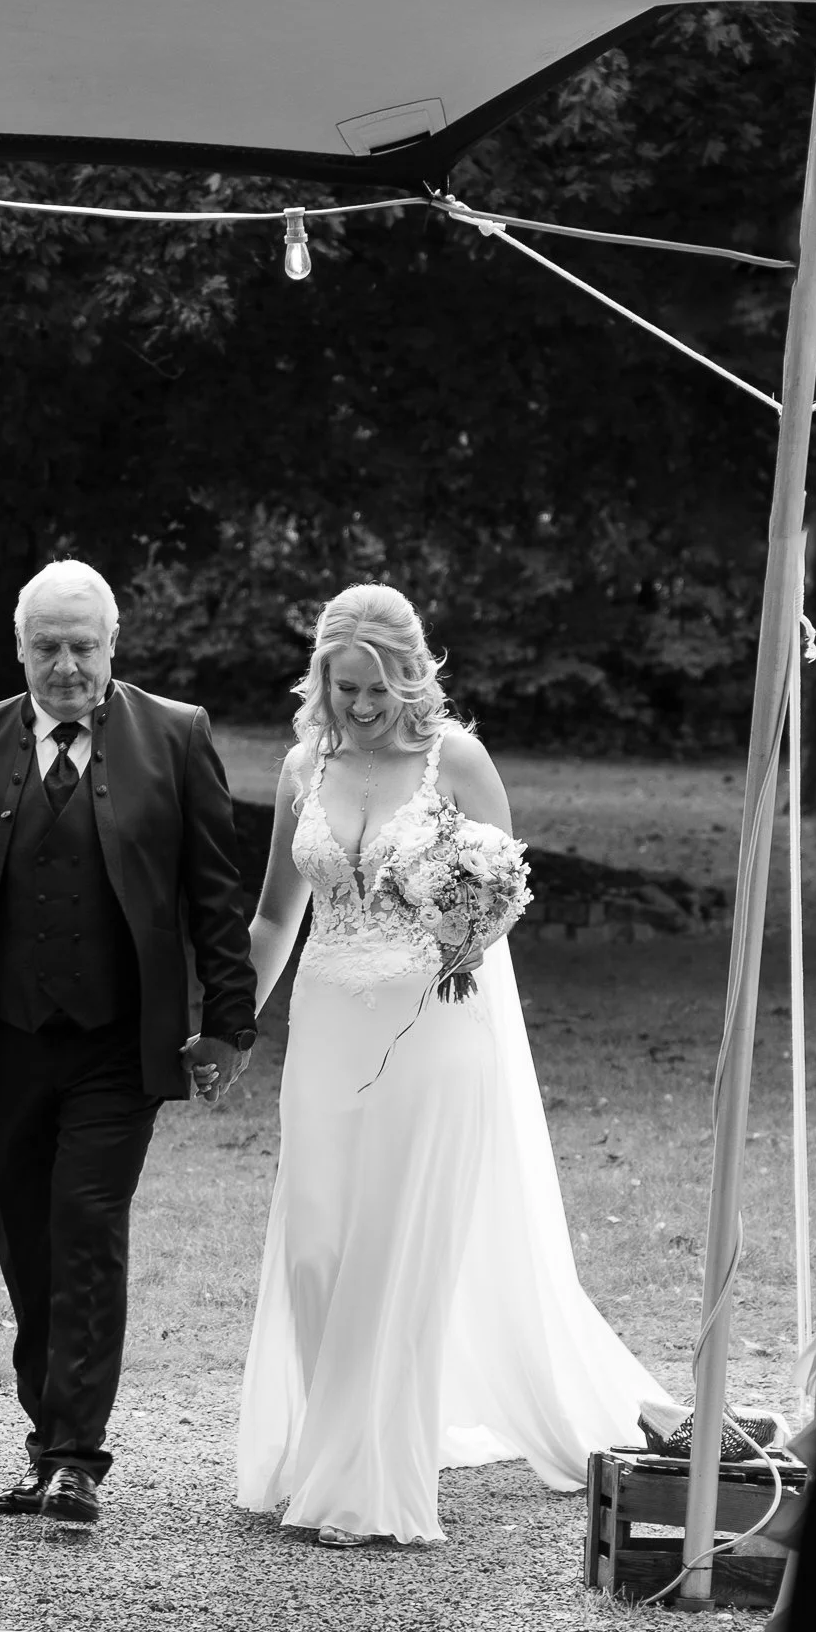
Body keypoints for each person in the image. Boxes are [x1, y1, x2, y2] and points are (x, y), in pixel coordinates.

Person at [236, 581, 665, 1547]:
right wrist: (232, 1024)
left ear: (410, 674)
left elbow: (499, 898)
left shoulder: (456, 763)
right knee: (314, 1247)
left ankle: (363, 1482)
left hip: (430, 1035)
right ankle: (326, 1446)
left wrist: (464, 934)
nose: (357, 704)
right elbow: (274, 917)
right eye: (341, 685)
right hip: (324, 1033)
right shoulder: (306, 765)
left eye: (375, 686)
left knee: (391, 1250)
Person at [0, 559, 257, 1528]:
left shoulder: (176, 737)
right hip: (2, 1042)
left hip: (116, 1043)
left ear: (112, 647)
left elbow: (214, 892)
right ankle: (44, 1440)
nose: (65, 665)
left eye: (82, 646)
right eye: (46, 647)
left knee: (87, 1229)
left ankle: (74, 1459)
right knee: (28, 1244)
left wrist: (228, 1019)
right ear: (19, 649)